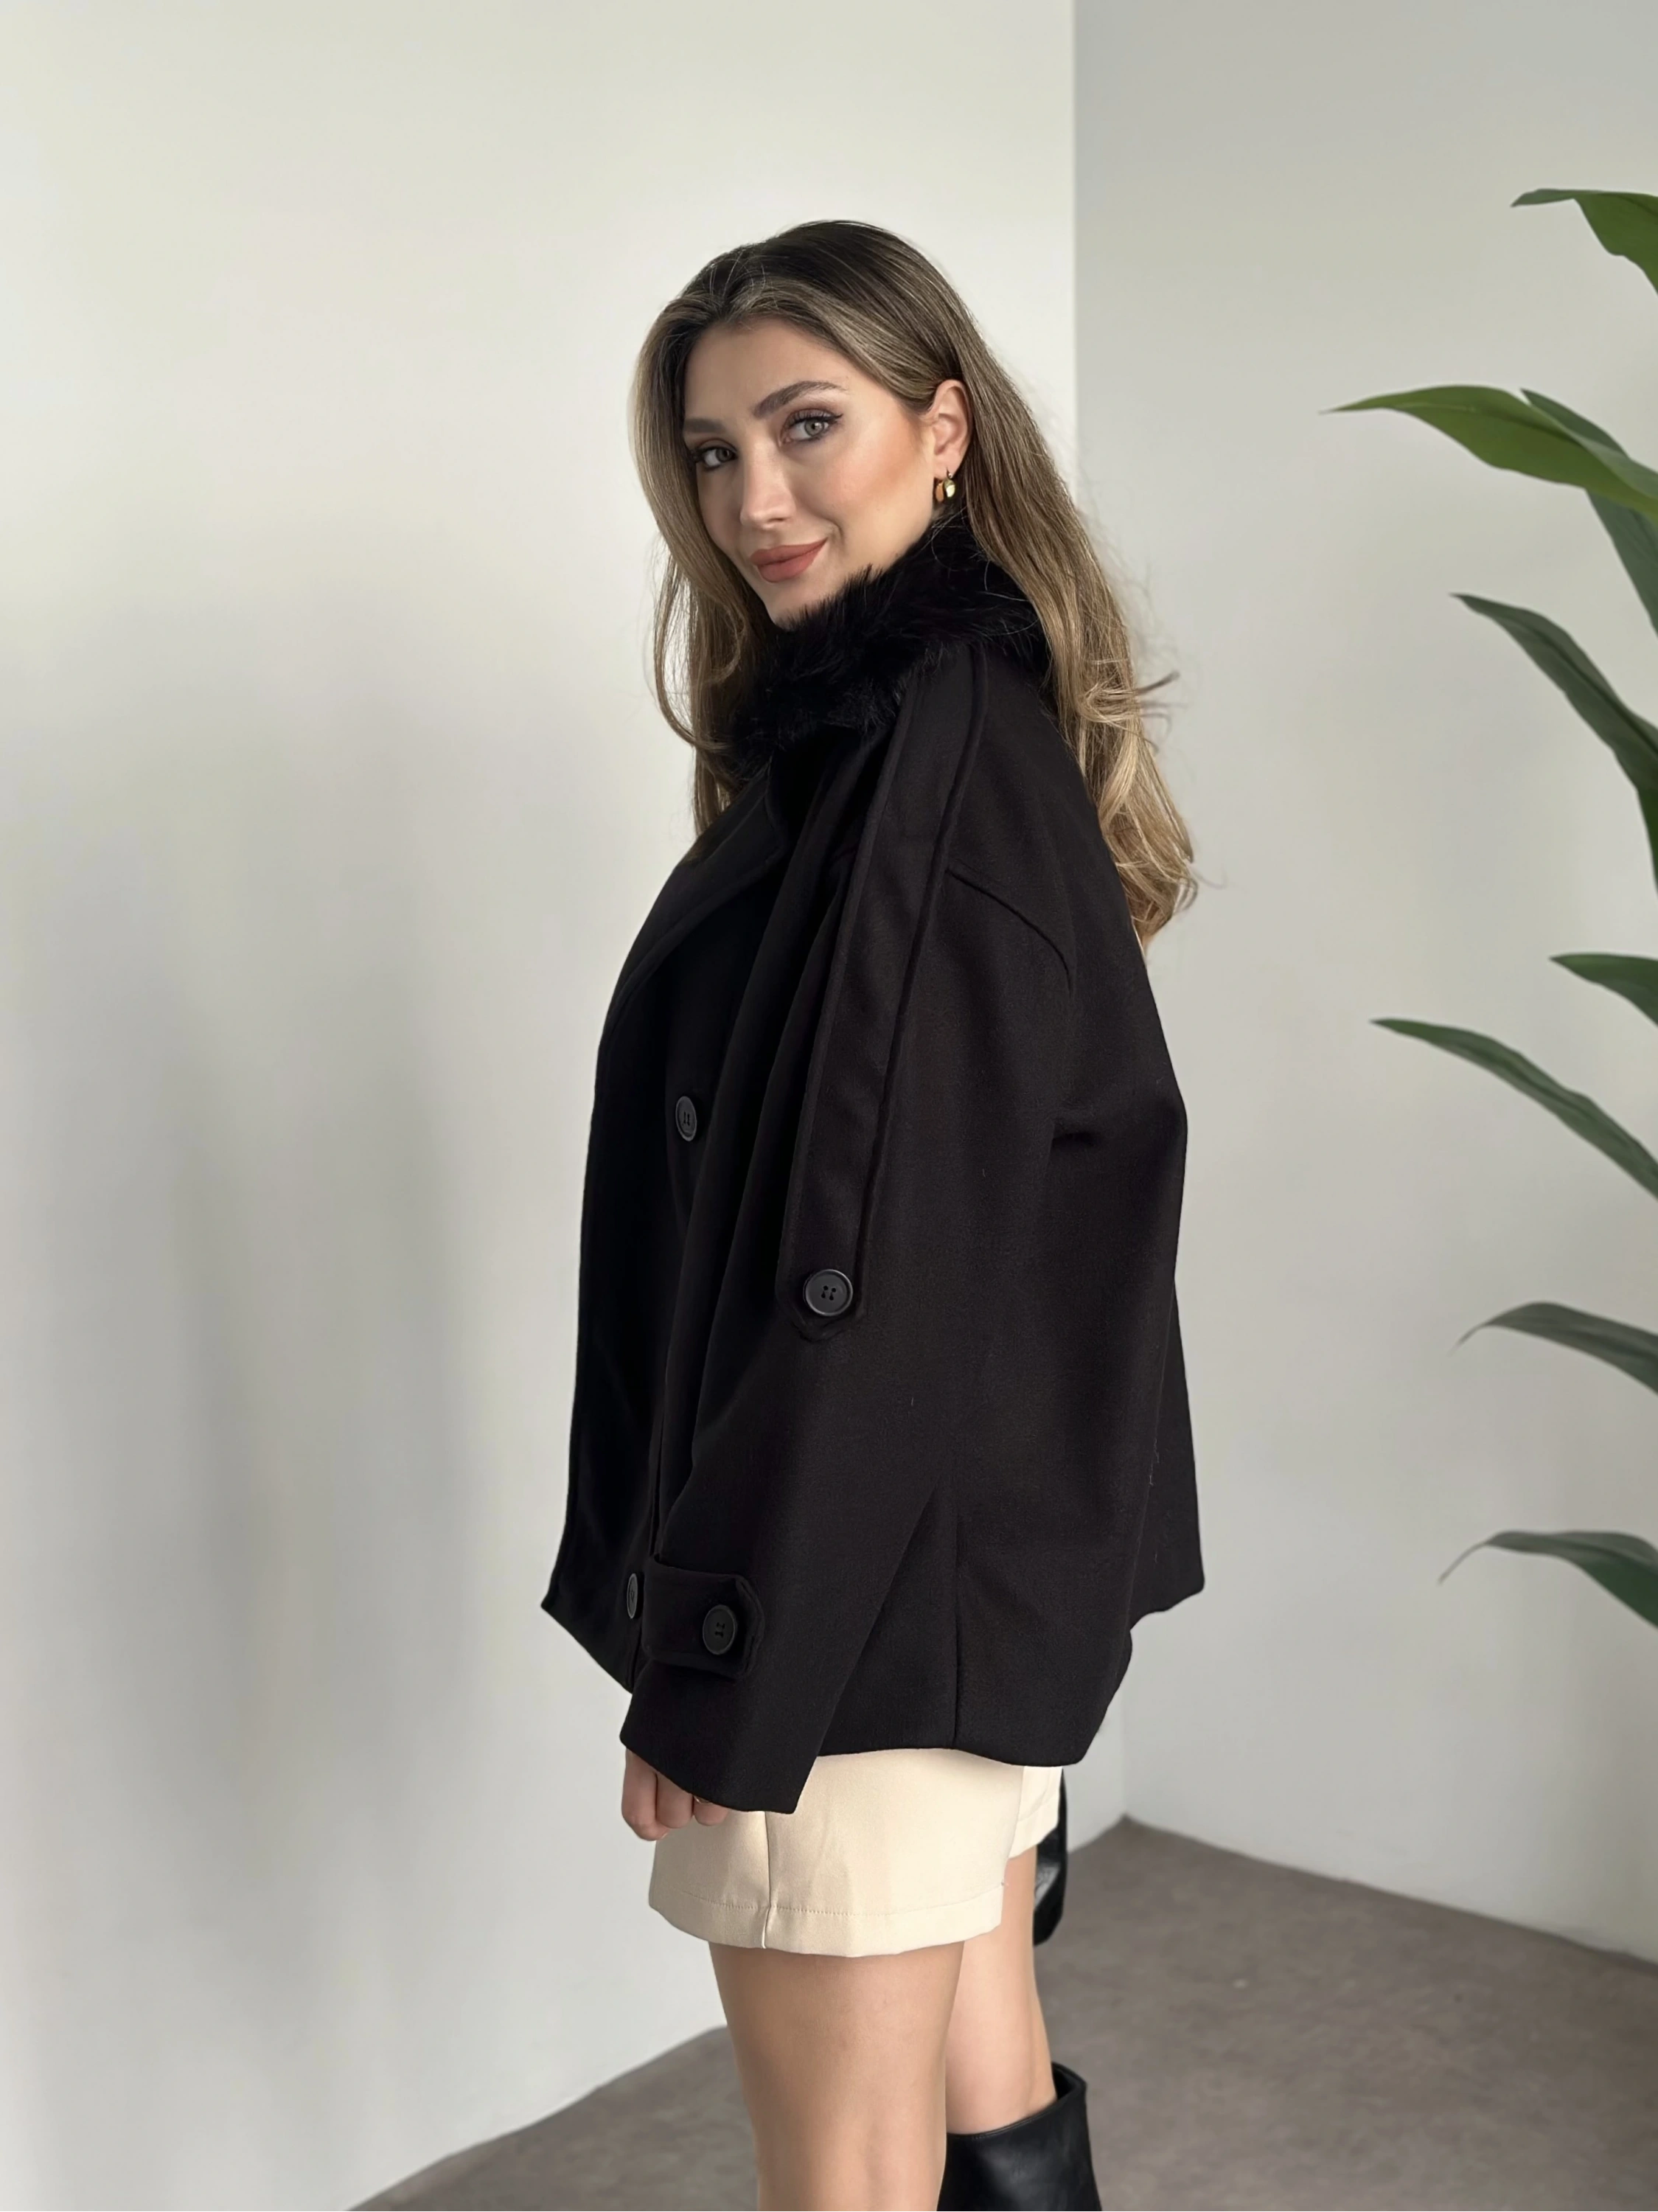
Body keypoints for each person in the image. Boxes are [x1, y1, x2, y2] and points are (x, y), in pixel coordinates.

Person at [543, 218, 1202, 2212]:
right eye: (713, 451)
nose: (756, 497)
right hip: (956, 1567)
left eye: (806, 425)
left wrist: (729, 1657)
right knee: (986, 2075)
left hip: (856, 1603)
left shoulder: (921, 783)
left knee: (841, 2177)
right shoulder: (929, 735)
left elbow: (861, 1278)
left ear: (946, 428)